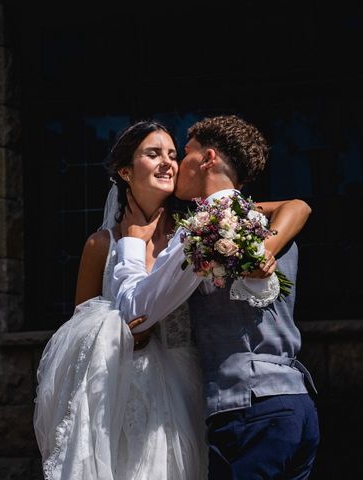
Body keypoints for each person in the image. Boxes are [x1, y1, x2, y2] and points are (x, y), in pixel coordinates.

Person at [33, 119, 312, 480]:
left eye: (174, 153)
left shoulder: (201, 229)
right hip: (118, 398)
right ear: (125, 171)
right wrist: (115, 333)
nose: (169, 161)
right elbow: (77, 331)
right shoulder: (103, 244)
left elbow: (296, 205)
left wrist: (264, 250)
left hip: (194, 396)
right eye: (153, 154)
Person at [113, 115, 319, 479]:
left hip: (247, 411)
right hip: (298, 405)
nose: (177, 166)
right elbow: (297, 206)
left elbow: (138, 310)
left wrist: (131, 239)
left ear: (207, 159)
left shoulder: (204, 230)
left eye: (185, 153)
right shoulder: (271, 224)